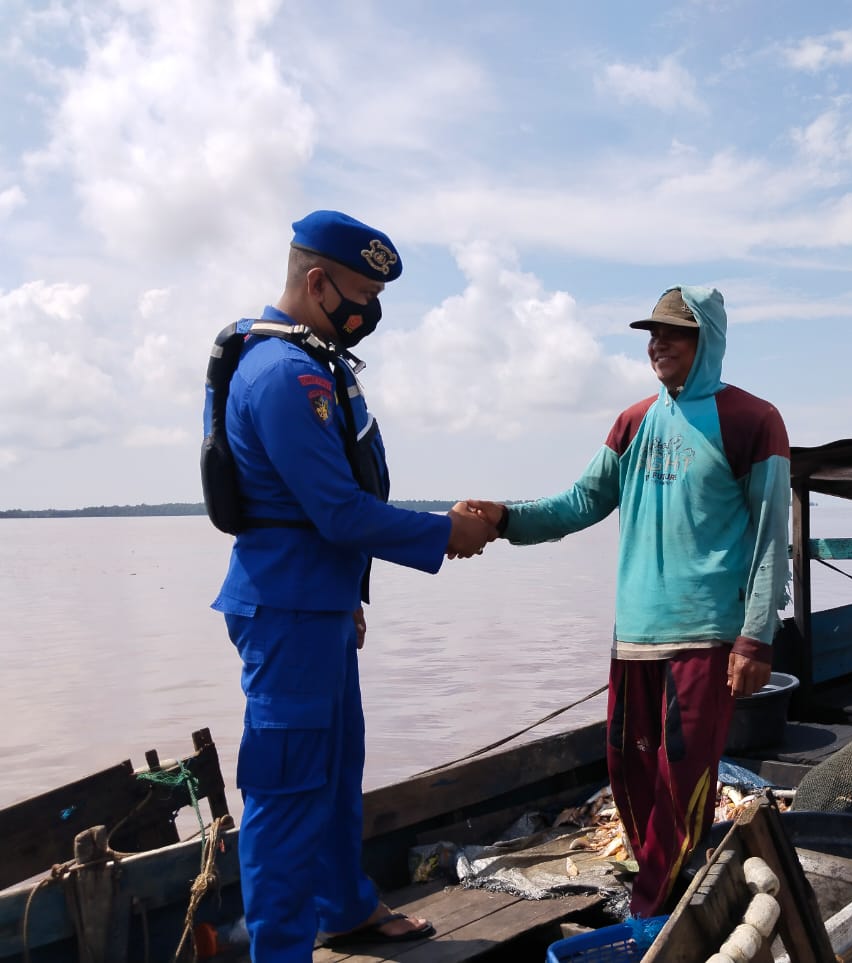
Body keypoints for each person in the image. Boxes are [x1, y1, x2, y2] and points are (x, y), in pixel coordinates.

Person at [207, 210, 495, 960]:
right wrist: (444, 533)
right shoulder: (284, 376)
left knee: (336, 773)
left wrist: (352, 597)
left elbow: (323, 506)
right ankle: (280, 949)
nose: (367, 313)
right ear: (315, 281)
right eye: (360, 295)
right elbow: (336, 510)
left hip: (320, 604)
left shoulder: (311, 362)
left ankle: (343, 906)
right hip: (286, 608)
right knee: (286, 787)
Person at [465, 285, 790, 917]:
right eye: (651, 333)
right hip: (635, 635)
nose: (657, 343)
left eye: (673, 332)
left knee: (683, 778)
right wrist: (504, 518)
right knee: (630, 775)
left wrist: (756, 638)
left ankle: (653, 909)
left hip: (707, 636)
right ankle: (662, 888)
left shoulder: (753, 421)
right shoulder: (634, 421)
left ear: (708, 342)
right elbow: (579, 502)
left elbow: (771, 534)